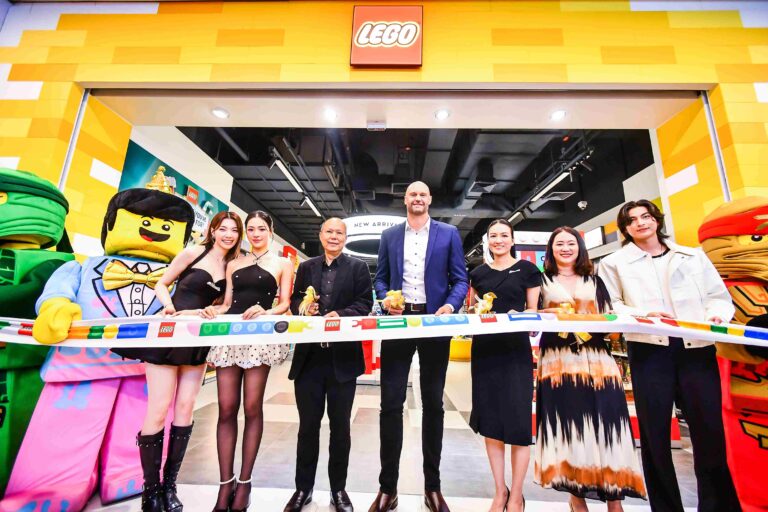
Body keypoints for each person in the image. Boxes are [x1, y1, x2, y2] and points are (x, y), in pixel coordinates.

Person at [599, 200, 741, 512]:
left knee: (709, 431)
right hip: (649, 349)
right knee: (654, 435)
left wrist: (716, 316)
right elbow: (612, 305)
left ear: (656, 220)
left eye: (646, 216)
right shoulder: (614, 263)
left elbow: (718, 296)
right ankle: (665, 507)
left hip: (696, 348)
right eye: (632, 220)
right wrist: (644, 314)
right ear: (625, 229)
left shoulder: (692, 256)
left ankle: (717, 505)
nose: (640, 223)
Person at [111, 210, 243, 512]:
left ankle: (170, 486)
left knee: (185, 407)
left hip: (198, 340)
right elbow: (161, 283)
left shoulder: (233, 265)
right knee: (158, 409)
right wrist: (169, 307)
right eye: (223, 228)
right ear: (212, 230)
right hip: (170, 334)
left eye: (234, 230)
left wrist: (211, 312)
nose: (228, 234)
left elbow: (226, 305)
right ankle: (151, 490)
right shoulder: (193, 253)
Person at [370, 181, 469, 512]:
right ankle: (388, 489)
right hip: (398, 321)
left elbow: (460, 279)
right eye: (412, 194)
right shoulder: (390, 236)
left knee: (434, 405)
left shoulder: (448, 234)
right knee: (390, 404)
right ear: (405, 199)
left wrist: (451, 305)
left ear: (430, 199)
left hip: (434, 322)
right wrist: (385, 299)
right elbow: (381, 277)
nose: (417, 198)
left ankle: (433, 488)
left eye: (422, 194)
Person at [534, 226, 646, 512]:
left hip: (597, 359)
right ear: (551, 250)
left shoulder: (595, 281)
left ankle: (615, 499)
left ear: (580, 248)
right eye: (559, 244)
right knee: (568, 428)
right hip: (558, 362)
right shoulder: (541, 281)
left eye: (571, 243)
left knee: (609, 425)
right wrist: (545, 314)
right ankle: (576, 498)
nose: (565, 248)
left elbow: (612, 317)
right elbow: (530, 317)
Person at [282, 218, 373, 512]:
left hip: (342, 360)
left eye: (339, 233)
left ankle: (338, 490)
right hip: (309, 359)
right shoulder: (307, 267)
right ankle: (303, 489)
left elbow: (365, 304)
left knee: (340, 429)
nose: (334, 236)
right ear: (320, 235)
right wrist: (303, 307)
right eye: (329, 231)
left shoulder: (358, 268)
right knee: (307, 427)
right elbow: (295, 300)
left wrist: (341, 314)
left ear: (346, 237)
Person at [206, 211, 294, 512]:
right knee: (226, 408)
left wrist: (265, 312)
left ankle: (244, 483)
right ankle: (225, 484)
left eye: (261, 229)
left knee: (253, 407)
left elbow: (284, 303)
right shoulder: (234, 263)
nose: (256, 234)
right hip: (230, 337)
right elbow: (227, 304)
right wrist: (212, 311)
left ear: (271, 230)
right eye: (251, 229)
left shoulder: (282, 263)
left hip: (259, 337)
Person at [468, 219, 540, 512]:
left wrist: (519, 316)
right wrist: (474, 312)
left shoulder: (528, 270)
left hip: (515, 351)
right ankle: (500, 490)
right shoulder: (478, 273)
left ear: (512, 239)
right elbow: (472, 309)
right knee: (492, 424)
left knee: (518, 424)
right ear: (488, 241)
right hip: (485, 351)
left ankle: (517, 495)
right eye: (493, 236)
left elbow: (533, 310)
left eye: (504, 235)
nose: (498, 240)